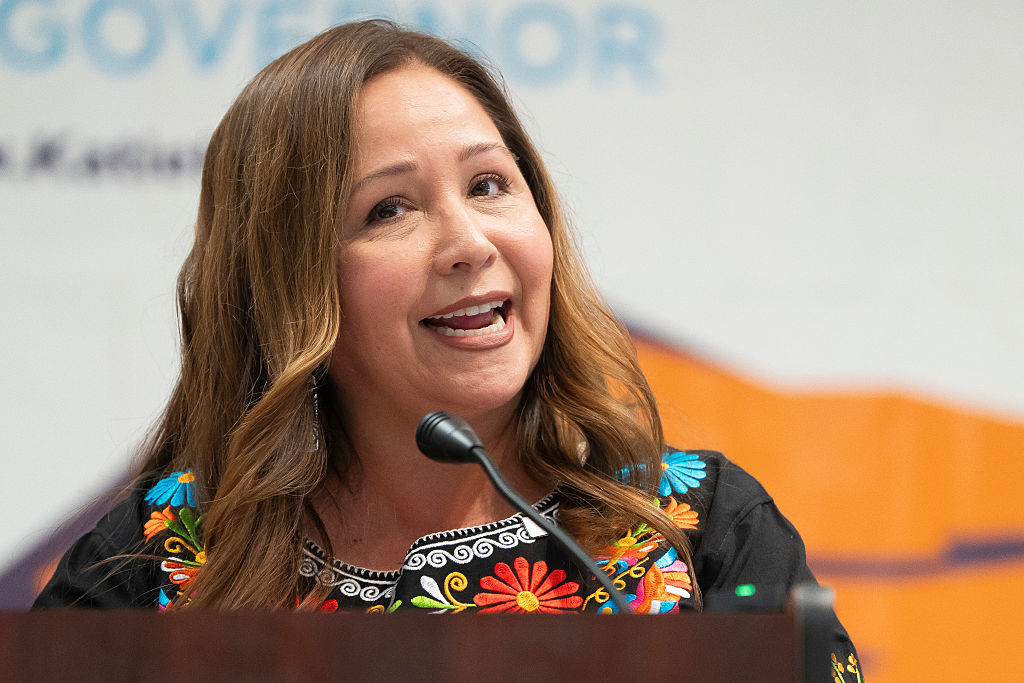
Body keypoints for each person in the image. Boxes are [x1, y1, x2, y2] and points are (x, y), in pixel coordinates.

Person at [35, 18, 858, 674]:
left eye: (489, 184)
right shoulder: (157, 559)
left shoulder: (697, 527)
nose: (468, 241)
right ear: (289, 285)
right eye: (389, 209)